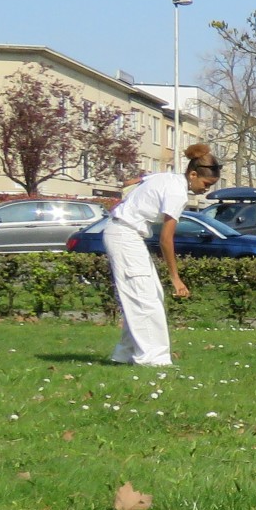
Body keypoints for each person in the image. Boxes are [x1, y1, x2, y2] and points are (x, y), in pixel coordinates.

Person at [106, 143, 220, 367]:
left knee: (148, 295)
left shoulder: (169, 178)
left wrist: (131, 182)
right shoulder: (177, 193)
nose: (205, 189)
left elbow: (142, 179)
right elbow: (166, 239)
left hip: (125, 233)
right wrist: (175, 277)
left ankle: (125, 354)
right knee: (145, 299)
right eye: (205, 184)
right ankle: (153, 360)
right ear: (193, 174)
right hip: (124, 234)